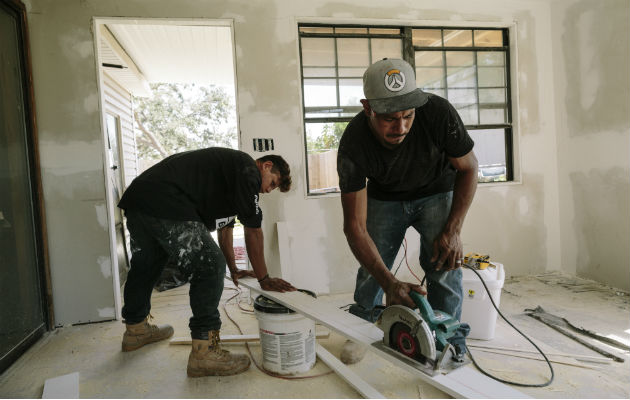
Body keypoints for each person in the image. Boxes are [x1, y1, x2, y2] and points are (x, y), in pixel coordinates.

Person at [336, 58, 478, 364]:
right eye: (389, 118)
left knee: (445, 266)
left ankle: (448, 341)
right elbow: (354, 228)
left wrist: (453, 230)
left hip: (437, 190)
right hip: (385, 198)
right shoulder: (354, 143)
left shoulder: (438, 113)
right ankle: (361, 326)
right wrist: (390, 283)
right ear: (368, 108)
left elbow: (469, 168)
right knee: (373, 269)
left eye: (408, 116)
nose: (400, 127)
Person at [117, 147, 296, 377]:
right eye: (272, 183)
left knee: (148, 263)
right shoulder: (247, 170)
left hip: (140, 199)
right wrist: (264, 278)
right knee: (210, 264)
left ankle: (135, 330)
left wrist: (233, 269)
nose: (269, 190)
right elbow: (253, 231)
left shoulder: (232, 180)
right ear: (267, 165)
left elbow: (225, 231)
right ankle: (205, 351)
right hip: (164, 198)